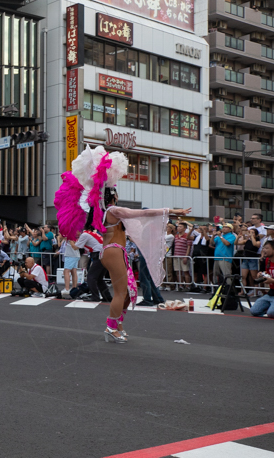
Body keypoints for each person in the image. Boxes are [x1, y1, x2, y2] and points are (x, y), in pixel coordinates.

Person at [55, 145, 189, 343]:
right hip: (113, 251)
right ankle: (111, 327)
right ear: (112, 196)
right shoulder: (112, 211)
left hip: (115, 251)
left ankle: (118, 324)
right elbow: (143, 213)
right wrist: (173, 211)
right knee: (121, 292)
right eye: (116, 192)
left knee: (129, 292)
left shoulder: (105, 212)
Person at [249, 240, 274, 318]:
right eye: (263, 248)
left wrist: (272, 281)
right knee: (254, 311)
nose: (264, 250)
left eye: (267, 248)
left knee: (271, 313)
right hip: (271, 293)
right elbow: (263, 271)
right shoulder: (266, 260)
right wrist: (260, 274)